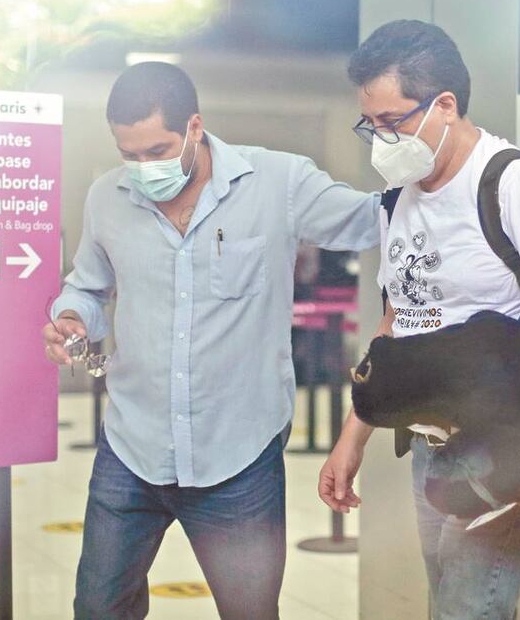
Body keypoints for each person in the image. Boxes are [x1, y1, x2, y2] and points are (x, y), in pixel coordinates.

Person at [41, 62, 381, 619]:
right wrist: (73, 316)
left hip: (238, 458)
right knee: (97, 609)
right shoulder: (107, 198)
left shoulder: (278, 182)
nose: (143, 167)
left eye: (157, 150)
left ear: (194, 127)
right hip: (132, 449)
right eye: (130, 154)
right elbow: (88, 287)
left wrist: (449, 179)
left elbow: (374, 222)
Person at [317, 20, 520, 619]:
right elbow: (398, 324)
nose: (380, 140)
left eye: (392, 121)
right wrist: (352, 438)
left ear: (445, 105)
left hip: (506, 442)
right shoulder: (398, 198)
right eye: (370, 124)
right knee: (449, 606)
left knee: (469, 610)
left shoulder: (514, 183)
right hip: (430, 444)